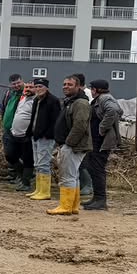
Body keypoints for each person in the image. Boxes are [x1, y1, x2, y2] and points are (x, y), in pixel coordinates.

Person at [48, 75, 92, 216]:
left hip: (73, 146)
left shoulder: (80, 103)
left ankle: (65, 206)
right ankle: (73, 206)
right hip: (69, 144)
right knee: (73, 176)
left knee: (67, 176)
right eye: (64, 84)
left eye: (70, 84)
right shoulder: (71, 101)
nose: (65, 86)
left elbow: (80, 125)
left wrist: (68, 143)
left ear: (78, 86)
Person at [84, 80, 123, 211]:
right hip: (95, 141)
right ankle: (96, 198)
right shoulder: (100, 99)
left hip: (101, 142)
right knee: (92, 168)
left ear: (95, 90)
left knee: (98, 169)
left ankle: (100, 200)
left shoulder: (105, 98)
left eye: (92, 88)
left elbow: (114, 110)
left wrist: (102, 128)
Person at [26, 77, 61, 201]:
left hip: (46, 137)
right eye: (36, 87)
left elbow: (56, 121)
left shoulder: (53, 101)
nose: (38, 89)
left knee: (43, 163)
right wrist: (30, 132)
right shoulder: (36, 100)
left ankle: (45, 191)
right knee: (37, 163)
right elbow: (33, 118)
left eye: (40, 87)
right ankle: (38, 189)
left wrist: (48, 134)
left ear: (46, 88)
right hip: (35, 135)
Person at [9, 81, 37, 192]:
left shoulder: (36, 101)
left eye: (31, 87)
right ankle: (22, 176)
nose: (28, 89)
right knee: (10, 155)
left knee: (27, 160)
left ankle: (26, 183)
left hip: (26, 135)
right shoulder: (22, 99)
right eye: (27, 87)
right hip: (15, 133)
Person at [72, 72, 93, 199]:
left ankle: (88, 185)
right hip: (78, 132)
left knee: (84, 161)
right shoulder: (78, 96)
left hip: (84, 133)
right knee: (79, 162)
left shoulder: (86, 95)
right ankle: (82, 184)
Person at [0, 74, 25, 182]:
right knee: (8, 153)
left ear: (22, 81)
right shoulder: (9, 93)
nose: (16, 85)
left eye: (18, 83)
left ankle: (23, 175)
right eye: (14, 84)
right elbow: (4, 108)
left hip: (20, 130)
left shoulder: (26, 93)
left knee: (18, 153)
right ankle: (12, 173)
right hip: (7, 128)